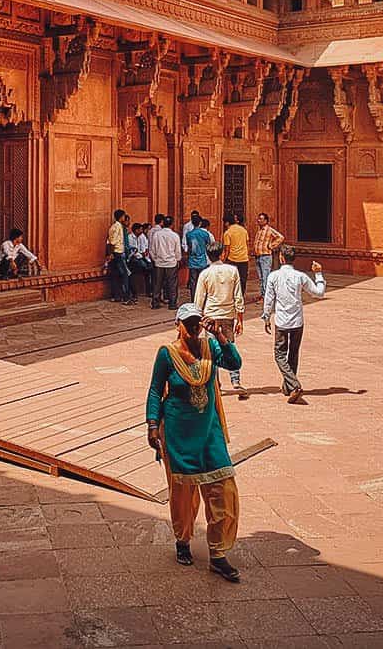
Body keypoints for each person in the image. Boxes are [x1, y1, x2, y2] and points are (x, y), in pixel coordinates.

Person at [146, 303, 243, 583]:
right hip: (178, 431)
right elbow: (155, 391)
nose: (192, 327)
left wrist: (221, 336)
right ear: (177, 324)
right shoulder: (167, 354)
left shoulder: (211, 348)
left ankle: (218, 554)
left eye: (196, 322)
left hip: (208, 430)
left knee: (223, 488)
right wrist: (153, 425)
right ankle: (183, 540)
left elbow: (234, 363)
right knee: (183, 492)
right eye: (187, 322)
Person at [262, 245, 326, 404]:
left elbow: (269, 299)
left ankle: (295, 385)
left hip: (282, 321)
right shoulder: (300, 276)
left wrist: (266, 316)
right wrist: (318, 274)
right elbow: (319, 293)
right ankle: (288, 387)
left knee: (279, 354)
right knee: (293, 353)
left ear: (281, 258)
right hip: (297, 320)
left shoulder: (273, 276)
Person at [193, 242, 246, 396]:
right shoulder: (233, 271)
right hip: (228, 315)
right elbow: (238, 297)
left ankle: (216, 384)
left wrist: (199, 321)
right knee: (229, 347)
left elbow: (199, 299)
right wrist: (240, 319)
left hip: (211, 316)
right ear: (222, 254)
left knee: (212, 351)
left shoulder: (205, 274)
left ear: (208, 256)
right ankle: (235, 380)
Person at [149, 215, 183, 309]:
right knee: (172, 284)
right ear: (172, 225)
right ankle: (172, 303)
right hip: (171, 263)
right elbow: (178, 251)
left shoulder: (157, 235)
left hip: (159, 262)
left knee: (157, 283)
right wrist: (177, 259)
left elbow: (152, 249)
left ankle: (155, 302)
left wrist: (155, 259)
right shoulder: (175, 236)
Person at [252, 212, 284, 302]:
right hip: (258, 256)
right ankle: (263, 294)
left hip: (265, 256)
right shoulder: (259, 231)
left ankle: (266, 296)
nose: (259, 220)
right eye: (258, 219)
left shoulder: (269, 230)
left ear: (266, 221)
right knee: (261, 277)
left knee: (265, 277)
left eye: (261, 219)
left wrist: (271, 245)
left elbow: (280, 237)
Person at [106, 209, 133, 305]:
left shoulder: (115, 227)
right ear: (121, 217)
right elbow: (112, 242)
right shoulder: (118, 227)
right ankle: (126, 297)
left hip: (117, 253)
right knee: (125, 275)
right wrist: (111, 254)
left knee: (117, 274)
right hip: (118, 253)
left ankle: (117, 295)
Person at [185, 217, 212, 302]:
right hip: (202, 260)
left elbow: (189, 246)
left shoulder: (189, 234)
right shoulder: (205, 234)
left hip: (193, 260)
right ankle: (202, 299)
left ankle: (194, 299)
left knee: (193, 282)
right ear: (200, 223)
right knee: (203, 281)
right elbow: (208, 245)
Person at [222, 214, 250, 294]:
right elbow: (247, 244)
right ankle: (241, 296)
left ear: (227, 223)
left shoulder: (227, 233)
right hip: (244, 259)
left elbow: (227, 249)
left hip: (232, 259)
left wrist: (223, 260)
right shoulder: (243, 230)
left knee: (232, 280)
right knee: (242, 280)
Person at [129, 222, 154, 300]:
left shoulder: (139, 237)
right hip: (133, 259)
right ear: (136, 230)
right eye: (140, 229)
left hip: (141, 257)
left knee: (149, 270)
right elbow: (135, 251)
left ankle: (149, 290)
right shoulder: (131, 237)